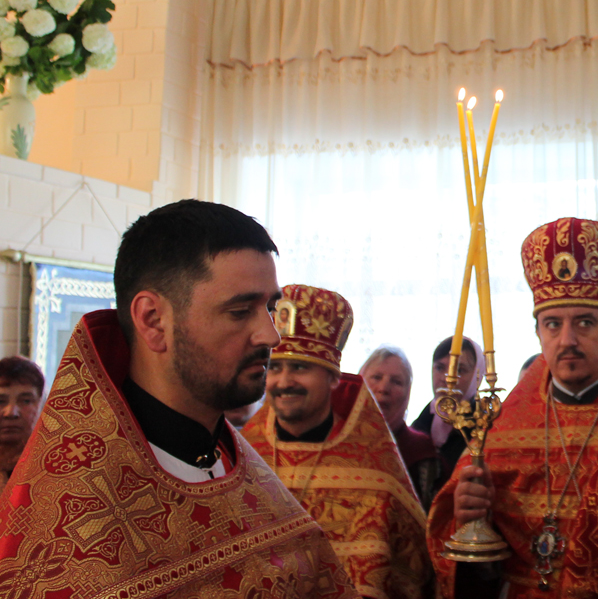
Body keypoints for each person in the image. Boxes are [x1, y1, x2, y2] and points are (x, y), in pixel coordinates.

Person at [0, 199, 354, 596]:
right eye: (240, 311)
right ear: (153, 320)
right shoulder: (68, 525)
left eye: (270, 308)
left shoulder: (248, 475)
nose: (271, 336)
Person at [427, 217, 598, 599]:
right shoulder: (504, 427)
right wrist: (470, 518)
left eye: (584, 323)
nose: (567, 340)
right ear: (538, 333)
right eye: (552, 324)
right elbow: (467, 561)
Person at [243, 285, 431, 599]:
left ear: (333, 377)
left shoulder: (375, 469)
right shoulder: (241, 456)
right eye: (274, 367)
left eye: (300, 367)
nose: (284, 381)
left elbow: (414, 573)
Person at [362, 344, 443, 510]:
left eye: (396, 382)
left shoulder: (421, 451)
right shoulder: (332, 439)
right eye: (376, 377)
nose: (384, 388)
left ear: (408, 393)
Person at [412, 336, 483, 481]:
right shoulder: (424, 419)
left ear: (477, 375)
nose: (446, 378)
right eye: (439, 367)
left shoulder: (483, 425)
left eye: (460, 370)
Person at [0, 356, 43, 488]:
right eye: (1, 401)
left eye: (26, 401)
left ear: (40, 405)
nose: (11, 413)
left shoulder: (53, 464)